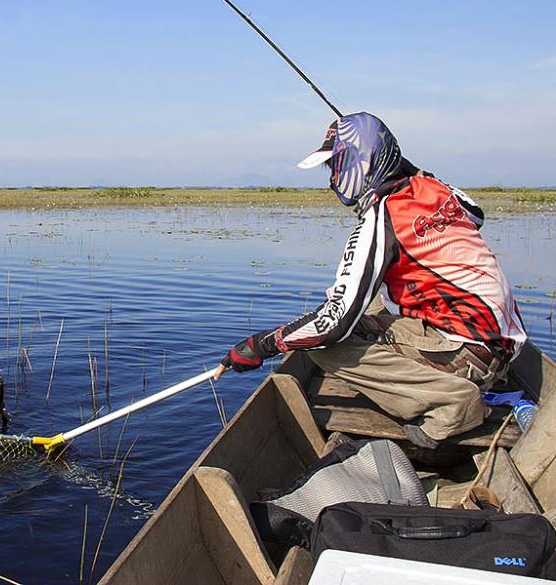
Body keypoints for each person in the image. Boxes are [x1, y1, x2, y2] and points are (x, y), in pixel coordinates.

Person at [213, 112, 527, 448]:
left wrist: (261, 345)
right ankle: (453, 384)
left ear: (362, 163)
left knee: (325, 348)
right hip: (500, 343)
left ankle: (452, 403)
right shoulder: (433, 189)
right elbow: (475, 214)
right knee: (368, 302)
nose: (333, 177)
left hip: (466, 353)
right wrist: (409, 168)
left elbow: (333, 325)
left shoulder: (381, 219)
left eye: (338, 165)